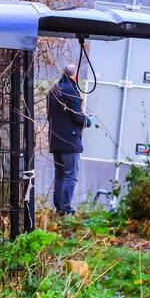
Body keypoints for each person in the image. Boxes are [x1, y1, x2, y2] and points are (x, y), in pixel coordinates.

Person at [47, 63, 90, 215]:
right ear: (75, 76)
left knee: (60, 174)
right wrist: (88, 121)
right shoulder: (71, 90)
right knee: (71, 175)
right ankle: (65, 209)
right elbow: (77, 116)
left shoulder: (54, 90)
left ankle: (59, 207)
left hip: (55, 140)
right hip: (70, 141)